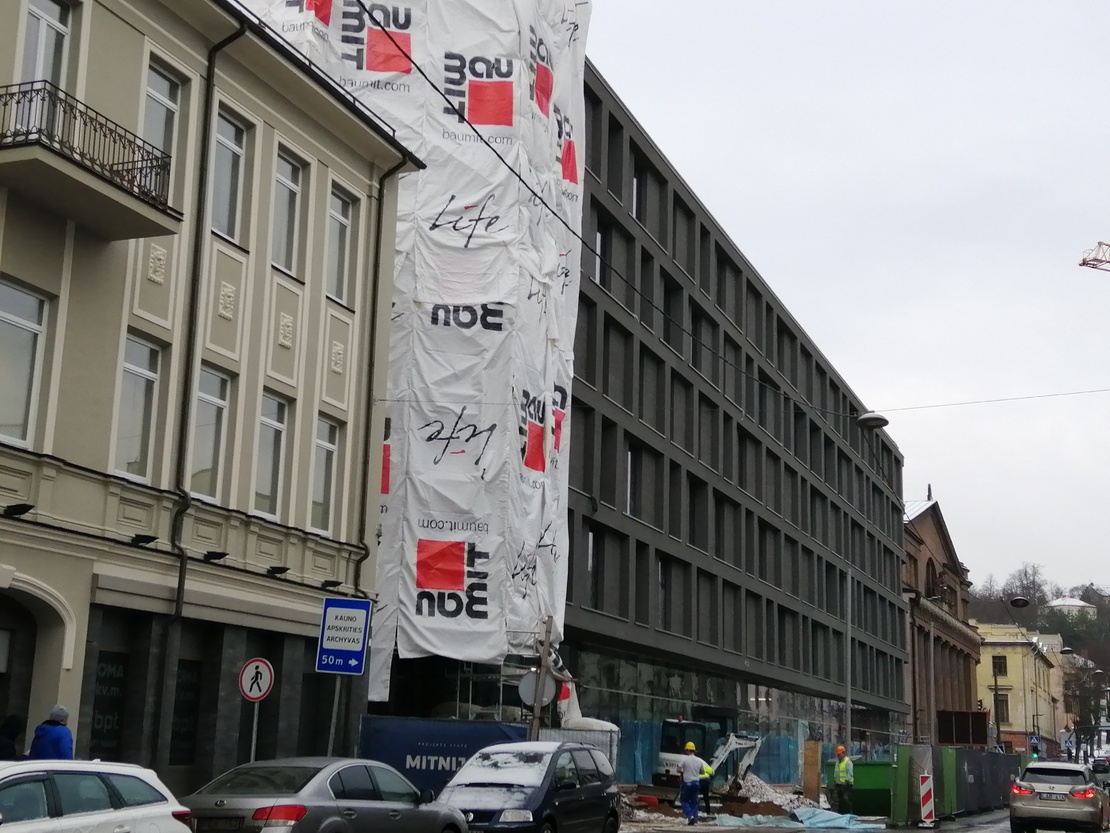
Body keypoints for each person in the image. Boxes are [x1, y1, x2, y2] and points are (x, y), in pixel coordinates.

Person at [679, 741, 712, 825]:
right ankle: (695, 820)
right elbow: (702, 771)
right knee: (694, 802)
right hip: (696, 784)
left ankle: (690, 817)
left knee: (684, 801)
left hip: (687, 783)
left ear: (687, 750)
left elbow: (678, 770)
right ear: (694, 750)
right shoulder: (699, 761)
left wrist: (684, 771)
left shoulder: (684, 759)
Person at [832, 744, 854, 815]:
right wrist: (836, 782)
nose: (838, 756)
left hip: (846, 785)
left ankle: (849, 813)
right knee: (839, 801)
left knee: (846, 801)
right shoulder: (837, 762)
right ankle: (841, 814)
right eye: (837, 754)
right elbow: (836, 773)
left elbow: (850, 773)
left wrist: (846, 782)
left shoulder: (848, 762)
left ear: (843, 753)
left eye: (839, 754)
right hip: (839, 784)